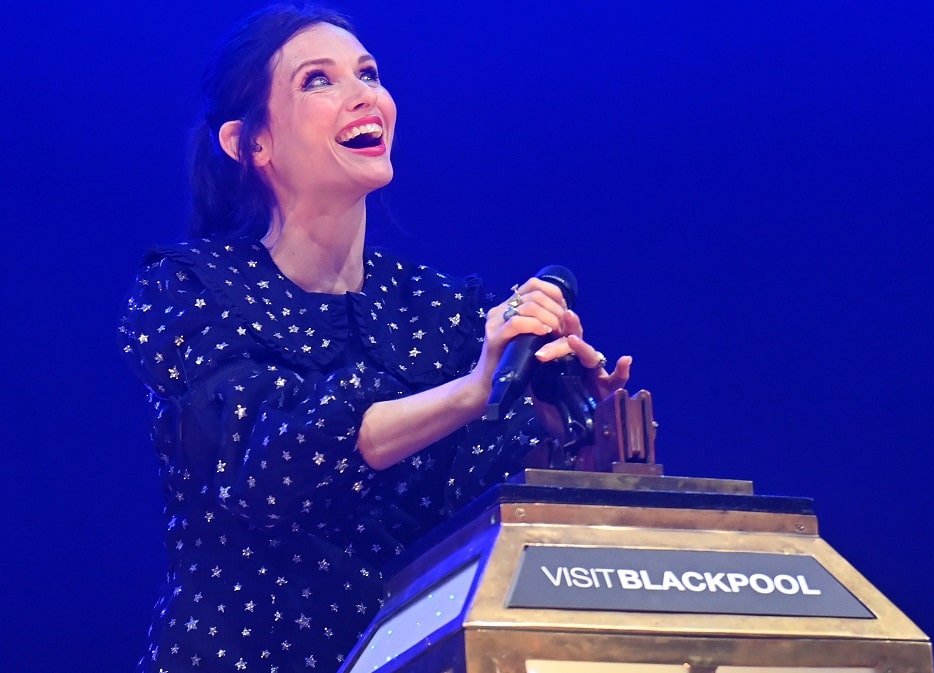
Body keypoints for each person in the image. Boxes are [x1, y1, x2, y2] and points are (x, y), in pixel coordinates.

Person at [118, 4, 631, 672]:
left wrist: (567, 431)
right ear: (251, 143)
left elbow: (487, 526)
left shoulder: (445, 310)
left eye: (369, 73)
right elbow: (268, 459)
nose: (365, 95)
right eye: (318, 81)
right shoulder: (189, 288)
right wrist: (471, 390)